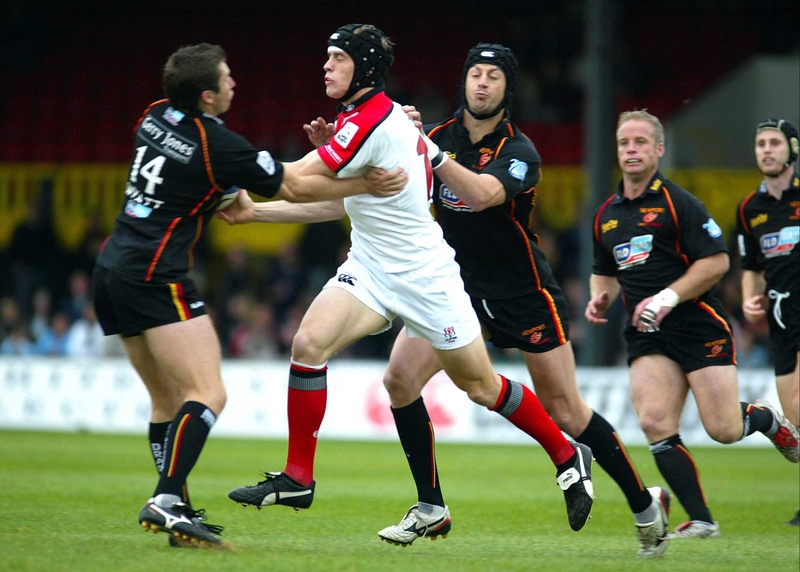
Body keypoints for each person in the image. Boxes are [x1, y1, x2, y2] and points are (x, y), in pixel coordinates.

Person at [224, 25, 595, 536]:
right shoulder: (360, 119)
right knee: (310, 342)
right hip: (372, 267)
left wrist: (225, 163)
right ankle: (299, 477)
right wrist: (256, 215)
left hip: (427, 278)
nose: (326, 67)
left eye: (337, 58)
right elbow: (341, 200)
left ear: (365, 68)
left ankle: (565, 452)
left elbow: (294, 178)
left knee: (481, 386)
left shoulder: (374, 117)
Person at [358, 43, 670, 558]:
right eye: (475, 74)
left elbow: (481, 195)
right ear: (463, 82)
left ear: (508, 89)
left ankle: (643, 505)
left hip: (523, 293)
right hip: (451, 288)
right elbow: (389, 182)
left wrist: (429, 154)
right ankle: (430, 506)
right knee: (399, 380)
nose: (482, 83)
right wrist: (395, 134)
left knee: (567, 410)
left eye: (493, 77)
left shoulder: (520, 152)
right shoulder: (432, 136)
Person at [91, 42, 406, 548]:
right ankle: (168, 500)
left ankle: (177, 508)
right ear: (208, 95)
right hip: (154, 275)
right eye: (227, 77)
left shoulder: (154, 116)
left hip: (110, 269)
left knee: (166, 400)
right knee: (208, 392)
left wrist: (233, 188)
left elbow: (208, 181)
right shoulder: (220, 146)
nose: (235, 82)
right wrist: (364, 179)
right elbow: (296, 188)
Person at [585, 109, 800, 540]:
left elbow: (718, 261)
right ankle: (702, 519)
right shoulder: (606, 214)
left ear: (658, 150)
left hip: (698, 326)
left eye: (641, 142)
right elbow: (602, 268)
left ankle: (769, 422)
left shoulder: (678, 203)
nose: (631, 149)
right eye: (625, 142)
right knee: (654, 421)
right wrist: (599, 296)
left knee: (722, 428)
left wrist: (668, 297)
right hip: (647, 334)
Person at [735, 118, 800, 526]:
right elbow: (749, 265)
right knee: (795, 414)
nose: (766, 150)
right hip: (780, 318)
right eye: (760, 143)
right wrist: (747, 299)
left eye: (774, 143)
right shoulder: (749, 210)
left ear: (791, 150)